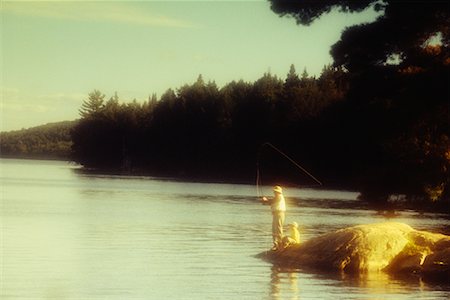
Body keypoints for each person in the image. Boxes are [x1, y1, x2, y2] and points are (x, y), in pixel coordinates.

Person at [261, 185, 286, 250]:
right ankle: (276, 244)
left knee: (278, 228)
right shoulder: (276, 197)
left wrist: (266, 200)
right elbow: (271, 202)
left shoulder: (279, 197)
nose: (275, 192)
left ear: (279, 192)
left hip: (280, 213)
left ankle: (280, 244)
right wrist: (265, 202)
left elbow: (272, 201)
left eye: (276, 191)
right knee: (274, 229)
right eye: (274, 191)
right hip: (276, 214)